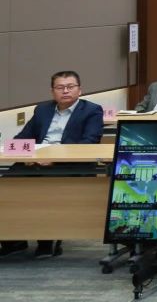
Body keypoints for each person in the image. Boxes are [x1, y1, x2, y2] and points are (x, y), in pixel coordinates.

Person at [0, 71, 104, 258]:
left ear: (80, 90)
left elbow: (89, 142)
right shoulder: (42, 110)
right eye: (60, 87)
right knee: (7, 184)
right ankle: (13, 240)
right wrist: (27, 157)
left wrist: (54, 158)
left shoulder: (92, 110)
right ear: (52, 91)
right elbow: (23, 137)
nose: (65, 91)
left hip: (69, 165)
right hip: (35, 162)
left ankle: (46, 240)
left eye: (70, 87)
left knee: (44, 189)